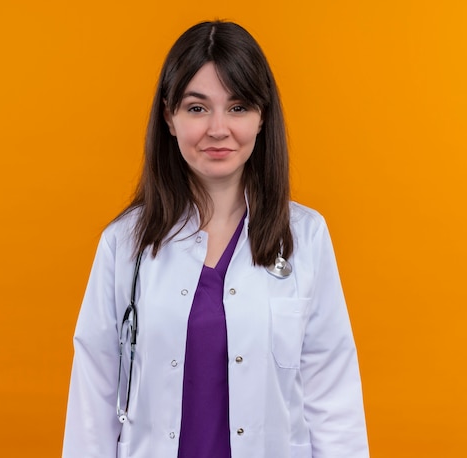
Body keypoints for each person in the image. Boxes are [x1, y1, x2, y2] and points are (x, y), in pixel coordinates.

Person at [62, 20, 369, 458]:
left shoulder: (305, 237)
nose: (218, 129)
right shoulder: (124, 244)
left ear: (263, 118)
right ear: (169, 117)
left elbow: (333, 398)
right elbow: (92, 402)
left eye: (239, 107)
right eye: (197, 108)